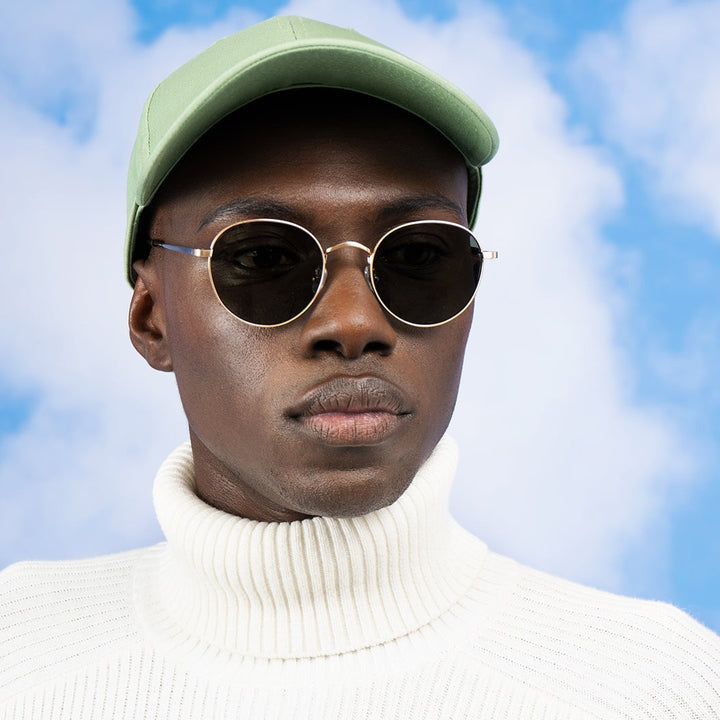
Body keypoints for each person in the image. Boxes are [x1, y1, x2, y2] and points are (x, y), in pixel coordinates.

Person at [1, 15, 718, 719]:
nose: (353, 324)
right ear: (150, 317)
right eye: (263, 257)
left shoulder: (651, 689)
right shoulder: (20, 656)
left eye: (419, 256)